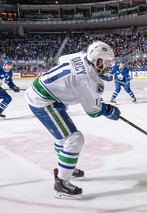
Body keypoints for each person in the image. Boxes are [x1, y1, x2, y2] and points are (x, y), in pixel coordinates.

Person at [24, 41, 121, 199]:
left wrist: (62, 85)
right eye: (107, 62)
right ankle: (61, 183)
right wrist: (108, 110)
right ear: (98, 61)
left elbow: (61, 60)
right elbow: (93, 111)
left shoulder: (81, 56)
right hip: (43, 101)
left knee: (63, 138)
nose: (109, 65)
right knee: (74, 139)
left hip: (47, 95)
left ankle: (65, 168)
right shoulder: (87, 80)